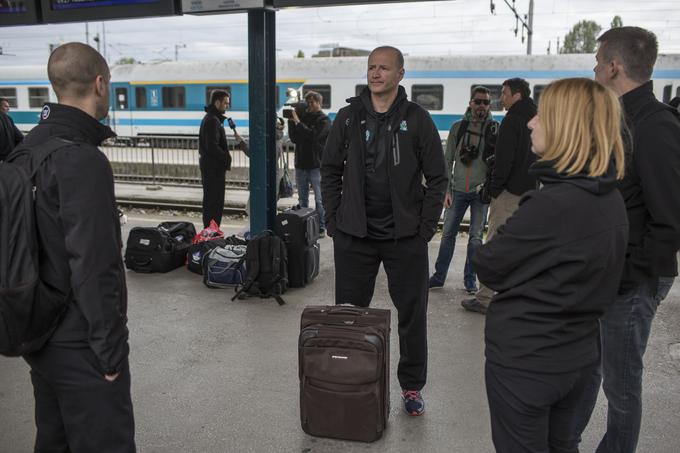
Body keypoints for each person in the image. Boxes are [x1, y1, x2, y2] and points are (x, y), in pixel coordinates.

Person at [473, 77, 628, 453]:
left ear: (566, 127)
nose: (530, 122)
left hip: (529, 361)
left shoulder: (552, 205)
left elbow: (489, 265)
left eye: (542, 115)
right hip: (578, 356)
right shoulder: (608, 196)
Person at [11, 42, 135, 452]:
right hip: (80, 343)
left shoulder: (25, 150)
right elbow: (95, 266)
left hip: (38, 335)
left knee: (55, 440)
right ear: (99, 84)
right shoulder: (82, 159)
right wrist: (110, 353)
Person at [321, 46, 448, 416]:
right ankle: (350, 379)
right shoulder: (347, 117)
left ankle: (411, 386)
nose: (376, 74)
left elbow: (437, 177)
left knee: (412, 315)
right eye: (371, 67)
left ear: (400, 74)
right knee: (350, 314)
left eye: (384, 68)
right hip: (354, 236)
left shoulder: (418, 119)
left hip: (404, 238)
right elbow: (329, 171)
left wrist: (424, 229)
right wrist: (333, 219)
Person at [592, 26, 680, 453]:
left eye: (597, 62)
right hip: (611, 273)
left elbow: (670, 219)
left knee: (621, 388)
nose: (593, 69)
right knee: (598, 373)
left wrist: (630, 277)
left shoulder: (656, 124)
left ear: (613, 66)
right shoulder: (622, 116)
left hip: (631, 280)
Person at [462, 77, 537, 314]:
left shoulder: (512, 120)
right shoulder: (536, 117)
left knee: (495, 242)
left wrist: (494, 189)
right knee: (522, 245)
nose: (500, 98)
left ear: (516, 95)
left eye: (504, 93)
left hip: (508, 193)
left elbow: (504, 160)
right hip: (530, 191)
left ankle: (485, 298)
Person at [428, 86, 498, 293]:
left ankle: (470, 280)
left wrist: (490, 188)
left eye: (486, 102)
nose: (482, 106)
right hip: (457, 190)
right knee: (448, 234)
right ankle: (439, 276)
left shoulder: (494, 129)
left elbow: (497, 163)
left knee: (476, 238)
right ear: (471, 103)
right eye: (478, 101)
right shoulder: (458, 128)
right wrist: (446, 190)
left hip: (480, 193)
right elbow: (447, 160)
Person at [289, 91, 331, 236]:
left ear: (319, 103)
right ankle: (303, 226)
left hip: (316, 165)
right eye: (308, 102)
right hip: (300, 164)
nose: (310, 105)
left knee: (319, 199)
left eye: (313, 102)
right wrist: (291, 122)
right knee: (302, 199)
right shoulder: (304, 118)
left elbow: (313, 136)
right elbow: (294, 138)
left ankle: (321, 227)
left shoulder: (324, 120)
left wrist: (298, 123)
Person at [199, 90, 232, 228]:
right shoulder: (212, 120)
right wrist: (226, 157)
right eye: (225, 103)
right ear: (217, 102)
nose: (227, 106)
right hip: (214, 170)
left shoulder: (212, 118)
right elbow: (212, 146)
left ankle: (211, 232)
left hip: (212, 168)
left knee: (212, 203)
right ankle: (211, 234)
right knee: (214, 204)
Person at [0, 97, 24, 161]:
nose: (8, 109)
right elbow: (20, 137)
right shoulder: (9, 119)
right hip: (8, 157)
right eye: (6, 107)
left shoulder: (8, 119)